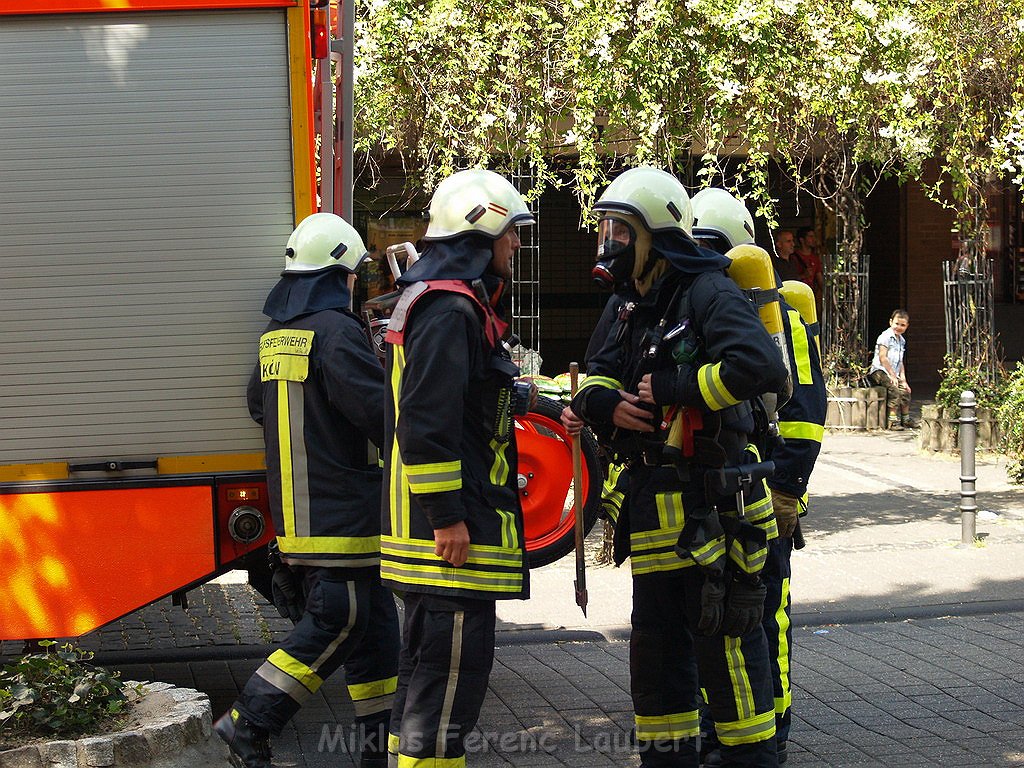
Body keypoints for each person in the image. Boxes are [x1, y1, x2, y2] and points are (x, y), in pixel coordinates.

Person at [569, 167, 788, 767]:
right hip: (656, 522)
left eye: (621, 229)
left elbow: (761, 367)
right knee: (659, 667)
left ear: (657, 236)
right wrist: (610, 404)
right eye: (604, 228)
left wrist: (678, 387)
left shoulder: (708, 293)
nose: (609, 242)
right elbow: (594, 377)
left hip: (716, 516)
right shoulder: (626, 304)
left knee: (730, 663)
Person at [215, 213, 401, 768]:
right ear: (339, 275)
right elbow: (377, 415)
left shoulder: (277, 338)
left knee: (377, 634)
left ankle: (377, 748)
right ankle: (247, 721)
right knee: (338, 622)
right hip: (343, 514)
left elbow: (257, 404)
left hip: (303, 514)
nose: (356, 286)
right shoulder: (338, 331)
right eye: (354, 275)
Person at [380, 169, 534, 768]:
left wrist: (533, 401)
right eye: (512, 234)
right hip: (449, 546)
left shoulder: (446, 302)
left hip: (435, 544)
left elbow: (466, 401)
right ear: (483, 229)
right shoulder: (451, 309)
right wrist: (448, 517)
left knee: (422, 689)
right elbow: (425, 421)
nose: (516, 246)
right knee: (444, 700)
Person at [690, 189, 827, 767]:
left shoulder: (779, 317)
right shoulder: (698, 308)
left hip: (762, 490)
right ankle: (731, 725)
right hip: (721, 488)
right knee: (723, 610)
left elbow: (805, 411)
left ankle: (770, 728)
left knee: (760, 607)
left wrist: (788, 490)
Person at [868, 309, 915, 430]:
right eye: (897, 324)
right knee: (894, 389)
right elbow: (883, 358)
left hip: (893, 371)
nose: (899, 327)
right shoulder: (885, 337)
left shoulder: (901, 341)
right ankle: (892, 421)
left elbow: (900, 362)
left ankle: (905, 418)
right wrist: (892, 375)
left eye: (902, 325)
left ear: (907, 326)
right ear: (891, 322)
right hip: (880, 370)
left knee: (905, 391)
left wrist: (903, 380)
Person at [794, 227, 824, 310]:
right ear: (802, 240)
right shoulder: (793, 257)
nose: (813, 239)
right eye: (810, 236)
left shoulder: (815, 258)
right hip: (797, 294)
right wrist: (803, 275)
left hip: (810, 295)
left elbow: (819, 278)